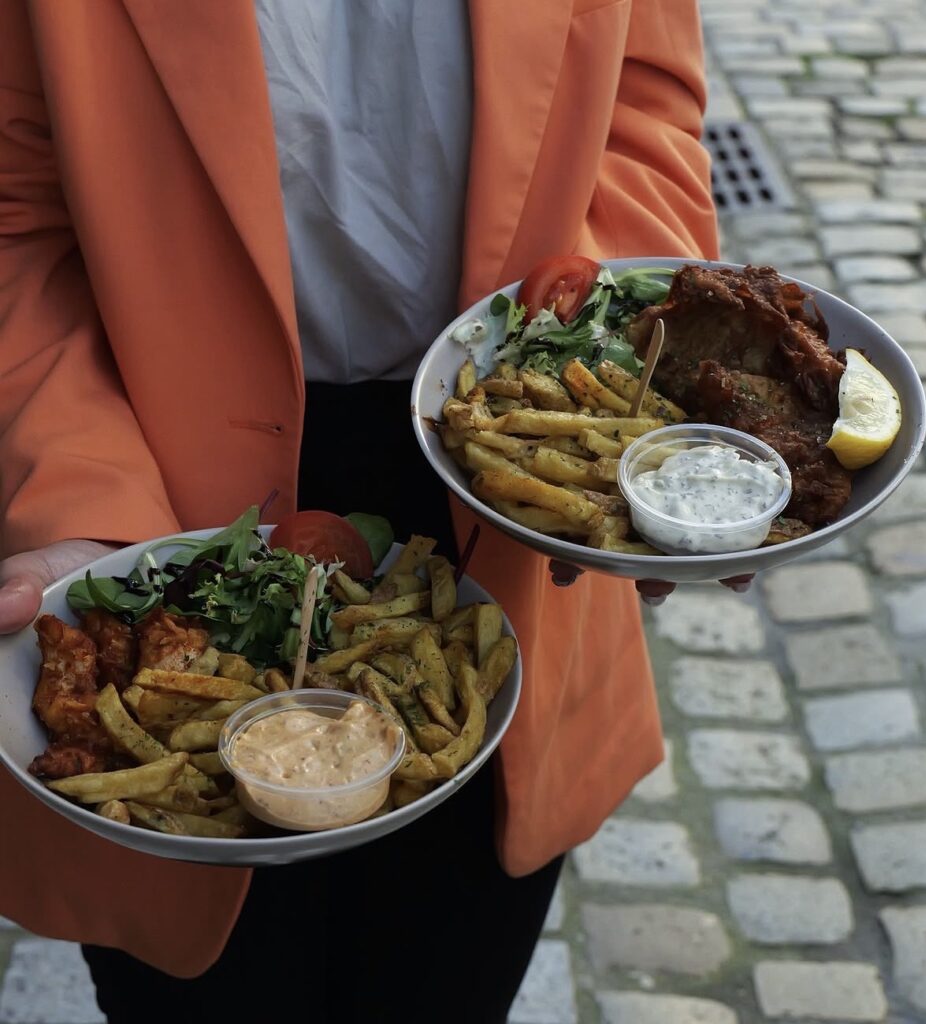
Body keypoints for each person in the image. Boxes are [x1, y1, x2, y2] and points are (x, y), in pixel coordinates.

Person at [0, 1, 729, 1020]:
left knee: (445, 976)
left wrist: (622, 411)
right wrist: (88, 514)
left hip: (505, 476)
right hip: (159, 512)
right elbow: (17, 217)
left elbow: (640, 120)